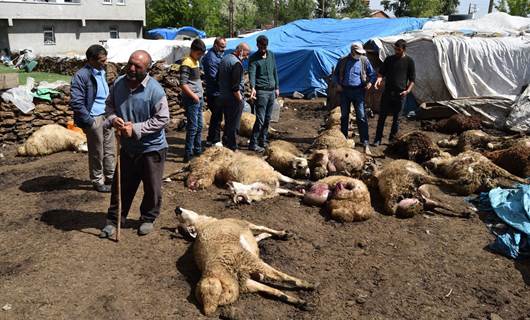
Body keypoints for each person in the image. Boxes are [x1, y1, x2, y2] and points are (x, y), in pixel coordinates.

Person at [100, 50, 170, 238]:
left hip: (152, 148)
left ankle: (147, 218)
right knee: (121, 185)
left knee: (152, 188)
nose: (131, 68)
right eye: (130, 63)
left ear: (146, 68)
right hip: (128, 148)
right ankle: (115, 219)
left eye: (137, 66)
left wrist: (137, 129)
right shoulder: (119, 84)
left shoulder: (155, 90)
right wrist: (114, 119)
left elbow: (163, 118)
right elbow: (109, 105)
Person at [70, 44, 115, 193]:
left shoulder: (102, 70)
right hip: (94, 117)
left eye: (105, 59)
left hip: (107, 115)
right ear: (91, 60)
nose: (105, 62)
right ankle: (97, 180)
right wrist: (89, 121)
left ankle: (110, 176)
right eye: (102, 60)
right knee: (97, 152)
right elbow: (76, 101)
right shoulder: (81, 76)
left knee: (109, 148)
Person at [333, 41, 376, 155]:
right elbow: (335, 74)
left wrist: (370, 83)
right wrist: (337, 84)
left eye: (360, 52)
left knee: (361, 117)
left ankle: (365, 143)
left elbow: (372, 74)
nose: (359, 54)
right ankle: (343, 141)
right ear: (352, 51)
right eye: (357, 52)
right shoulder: (343, 61)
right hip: (345, 91)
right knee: (344, 116)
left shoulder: (363, 60)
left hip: (359, 91)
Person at [373, 39, 415, 145]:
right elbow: (381, 73)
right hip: (388, 92)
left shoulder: (409, 61)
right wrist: (379, 79)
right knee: (382, 116)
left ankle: (392, 140)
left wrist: (407, 91)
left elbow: (412, 79)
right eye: (395, 49)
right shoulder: (389, 59)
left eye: (398, 49)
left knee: (397, 119)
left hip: (400, 94)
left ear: (404, 49)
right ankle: (377, 139)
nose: (396, 51)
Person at [248, 35, 279, 153]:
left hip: (271, 91)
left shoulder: (271, 55)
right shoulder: (254, 58)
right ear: (257, 45)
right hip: (261, 92)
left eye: (265, 47)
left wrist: (277, 87)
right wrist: (253, 87)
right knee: (260, 119)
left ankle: (263, 140)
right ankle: (253, 143)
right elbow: (252, 73)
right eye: (261, 47)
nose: (263, 49)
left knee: (267, 118)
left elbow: (275, 71)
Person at [217, 42, 251, 151]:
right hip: (233, 99)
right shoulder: (236, 64)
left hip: (223, 96)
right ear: (240, 51)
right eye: (246, 54)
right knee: (234, 124)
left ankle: (226, 142)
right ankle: (232, 146)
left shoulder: (225, 59)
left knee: (227, 121)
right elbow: (235, 87)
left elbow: (218, 78)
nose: (247, 57)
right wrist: (240, 99)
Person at [180, 39, 206, 163]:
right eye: (199, 53)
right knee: (193, 126)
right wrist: (194, 96)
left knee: (200, 125)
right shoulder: (187, 62)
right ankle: (187, 153)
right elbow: (183, 84)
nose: (200, 56)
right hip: (192, 99)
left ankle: (197, 149)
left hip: (198, 98)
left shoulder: (195, 61)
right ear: (193, 50)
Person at [202, 37, 226, 148]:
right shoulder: (210, 58)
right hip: (214, 92)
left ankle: (210, 139)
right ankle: (215, 140)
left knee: (216, 116)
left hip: (218, 91)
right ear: (215, 45)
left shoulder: (218, 55)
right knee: (216, 117)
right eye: (221, 46)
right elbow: (214, 77)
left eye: (224, 46)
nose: (223, 49)